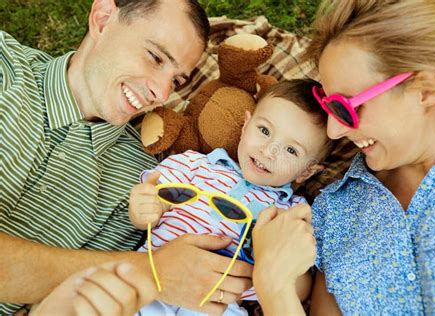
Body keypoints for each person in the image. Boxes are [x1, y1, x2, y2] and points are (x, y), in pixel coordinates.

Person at [0, 0, 256, 314]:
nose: (163, 94)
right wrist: (152, 271)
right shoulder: (5, 66)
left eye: (176, 81)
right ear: (103, 18)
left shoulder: (144, 177)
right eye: (155, 57)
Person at [305, 0, 435, 314]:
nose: (332, 131)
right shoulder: (334, 209)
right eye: (327, 104)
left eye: (346, 107)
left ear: (426, 89)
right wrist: (273, 284)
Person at [128, 79, 332, 315]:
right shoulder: (195, 164)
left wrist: (274, 265)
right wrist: (143, 210)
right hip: (156, 276)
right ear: (245, 126)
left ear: (307, 171)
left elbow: (298, 288)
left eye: (291, 150)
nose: (269, 151)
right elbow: (147, 207)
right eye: (264, 131)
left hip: (219, 304)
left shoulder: (292, 214)